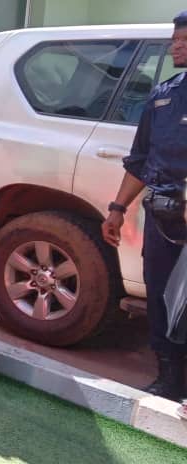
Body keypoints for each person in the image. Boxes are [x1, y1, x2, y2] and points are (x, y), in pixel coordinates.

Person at [102, 11, 187, 402]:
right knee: (160, 296)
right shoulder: (163, 95)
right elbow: (140, 161)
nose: (177, 45)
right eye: (175, 38)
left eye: (185, 39)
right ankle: (168, 380)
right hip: (164, 216)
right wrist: (118, 207)